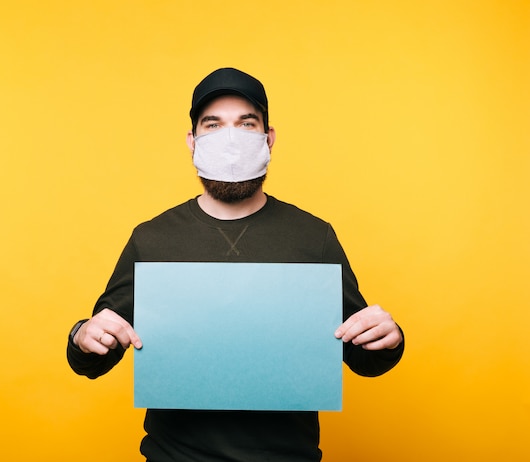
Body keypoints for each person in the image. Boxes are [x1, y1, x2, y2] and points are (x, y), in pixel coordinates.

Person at [66, 67, 404, 462]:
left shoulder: (314, 237)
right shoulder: (152, 238)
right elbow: (94, 356)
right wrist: (82, 335)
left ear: (268, 138)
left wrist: (390, 338)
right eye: (213, 125)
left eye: (246, 124)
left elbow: (363, 356)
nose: (230, 139)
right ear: (192, 141)